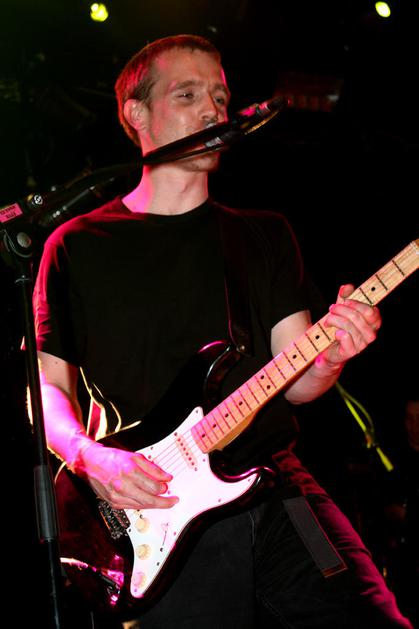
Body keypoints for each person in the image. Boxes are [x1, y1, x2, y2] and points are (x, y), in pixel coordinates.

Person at [33, 34, 414, 629]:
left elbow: (299, 381)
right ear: (137, 114)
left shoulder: (262, 234)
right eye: (188, 95)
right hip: (154, 508)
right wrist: (92, 459)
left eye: (219, 96)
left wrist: (334, 355)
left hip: (274, 484)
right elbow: (47, 388)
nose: (213, 110)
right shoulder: (76, 245)